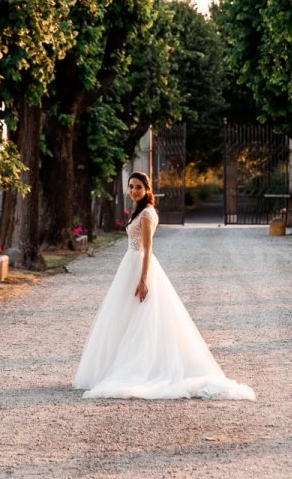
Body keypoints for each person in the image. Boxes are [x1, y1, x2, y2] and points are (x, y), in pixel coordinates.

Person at [73, 171, 255, 400]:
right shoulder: (139, 210)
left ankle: (142, 367)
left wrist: (143, 279)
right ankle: (113, 366)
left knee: (142, 316)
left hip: (140, 266)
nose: (133, 190)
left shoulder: (147, 214)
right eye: (131, 186)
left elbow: (148, 249)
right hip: (129, 265)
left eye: (138, 187)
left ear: (147, 189)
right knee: (122, 316)